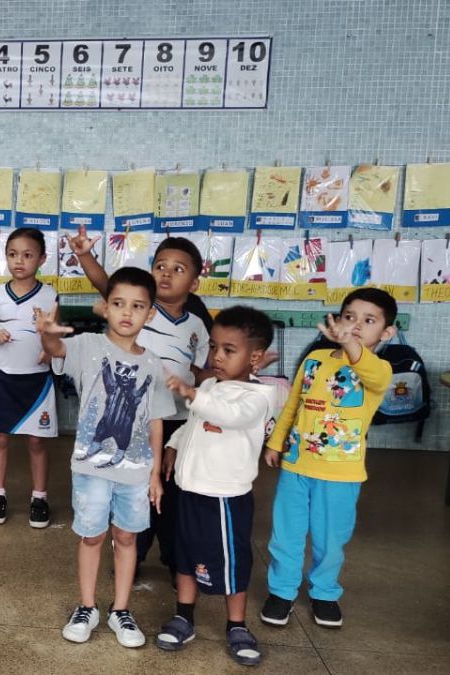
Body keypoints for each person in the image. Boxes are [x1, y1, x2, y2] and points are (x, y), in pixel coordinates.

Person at [38, 267, 175, 649]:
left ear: (150, 314)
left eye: (137, 306)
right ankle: (86, 606)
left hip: (136, 469)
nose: (126, 313)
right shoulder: (87, 346)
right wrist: (47, 333)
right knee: (92, 535)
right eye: (118, 304)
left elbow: (155, 419)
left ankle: (120, 610)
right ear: (105, 307)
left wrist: (154, 474)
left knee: (127, 535)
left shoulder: (153, 363)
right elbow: (55, 350)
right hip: (91, 465)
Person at [68, 225, 212, 580]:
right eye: (161, 265)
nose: (167, 273)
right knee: (135, 488)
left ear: (194, 282)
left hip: (176, 421)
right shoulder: (140, 307)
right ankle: (132, 551)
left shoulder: (198, 324)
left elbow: (207, 369)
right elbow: (106, 284)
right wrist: (85, 254)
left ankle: (173, 556)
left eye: (179, 269)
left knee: (170, 490)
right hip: (134, 420)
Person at [259, 289, 397, 630]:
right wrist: (275, 443)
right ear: (338, 319)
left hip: (341, 474)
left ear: (387, 332)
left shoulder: (379, 371)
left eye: (369, 320)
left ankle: (324, 592)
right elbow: (292, 406)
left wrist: (350, 343)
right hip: (296, 465)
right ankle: (282, 591)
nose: (356, 325)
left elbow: (366, 367)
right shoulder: (314, 361)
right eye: (350, 317)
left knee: (330, 538)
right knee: (286, 533)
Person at [153, 306, 278, 666]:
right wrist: (175, 443)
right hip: (191, 490)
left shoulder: (257, 397)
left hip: (224, 498)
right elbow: (194, 422)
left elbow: (229, 416)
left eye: (228, 350)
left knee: (232, 565)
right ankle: (184, 618)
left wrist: (192, 394)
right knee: (186, 558)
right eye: (213, 347)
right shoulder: (209, 385)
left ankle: (237, 625)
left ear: (255, 358)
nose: (216, 357)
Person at [0, 227, 59, 528]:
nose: (19, 261)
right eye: (13, 254)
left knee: (37, 441)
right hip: (4, 377)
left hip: (37, 382)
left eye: (27, 255)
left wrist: (49, 351)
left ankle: (40, 497)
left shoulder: (50, 295)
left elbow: (56, 336)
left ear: (41, 259)